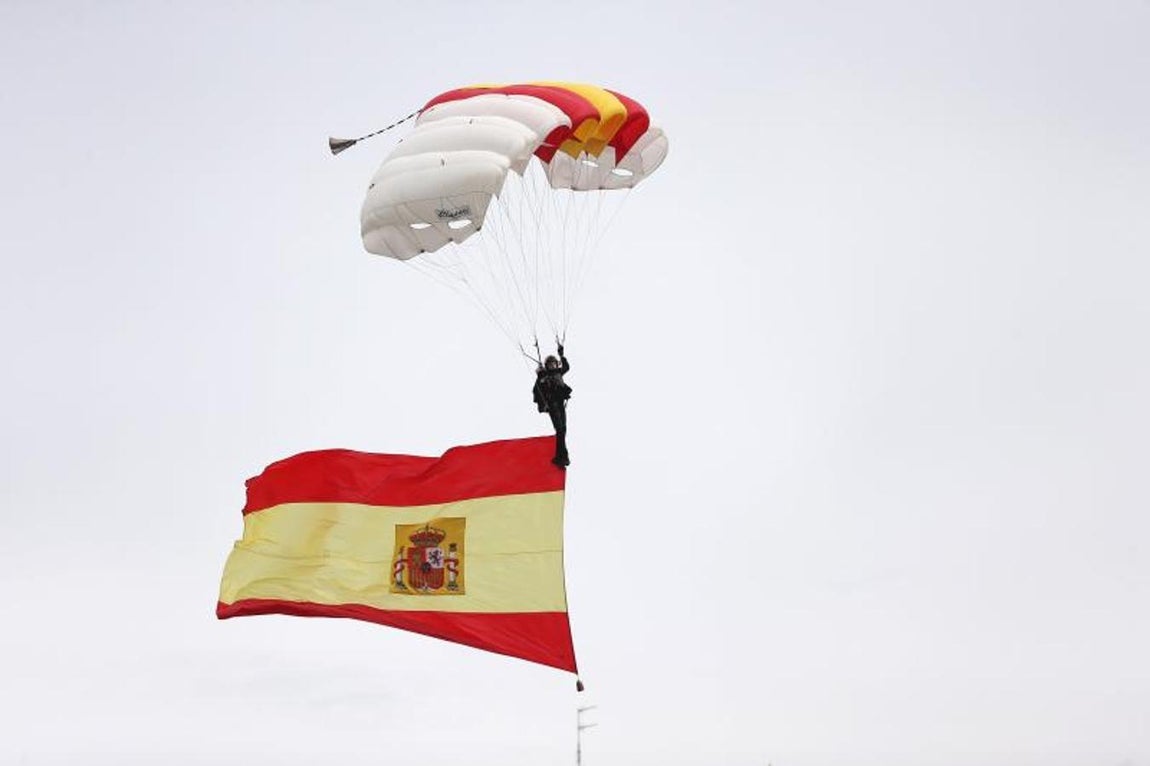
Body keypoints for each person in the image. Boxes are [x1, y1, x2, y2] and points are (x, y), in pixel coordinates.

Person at [533, 343, 572, 467]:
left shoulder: (559, 372)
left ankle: (562, 457)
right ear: (547, 366)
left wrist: (562, 355)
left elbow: (566, 367)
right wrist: (540, 376)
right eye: (550, 364)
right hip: (552, 405)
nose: (552, 365)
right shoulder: (544, 376)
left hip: (560, 404)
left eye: (554, 363)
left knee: (563, 430)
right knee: (560, 429)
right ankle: (562, 457)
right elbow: (537, 390)